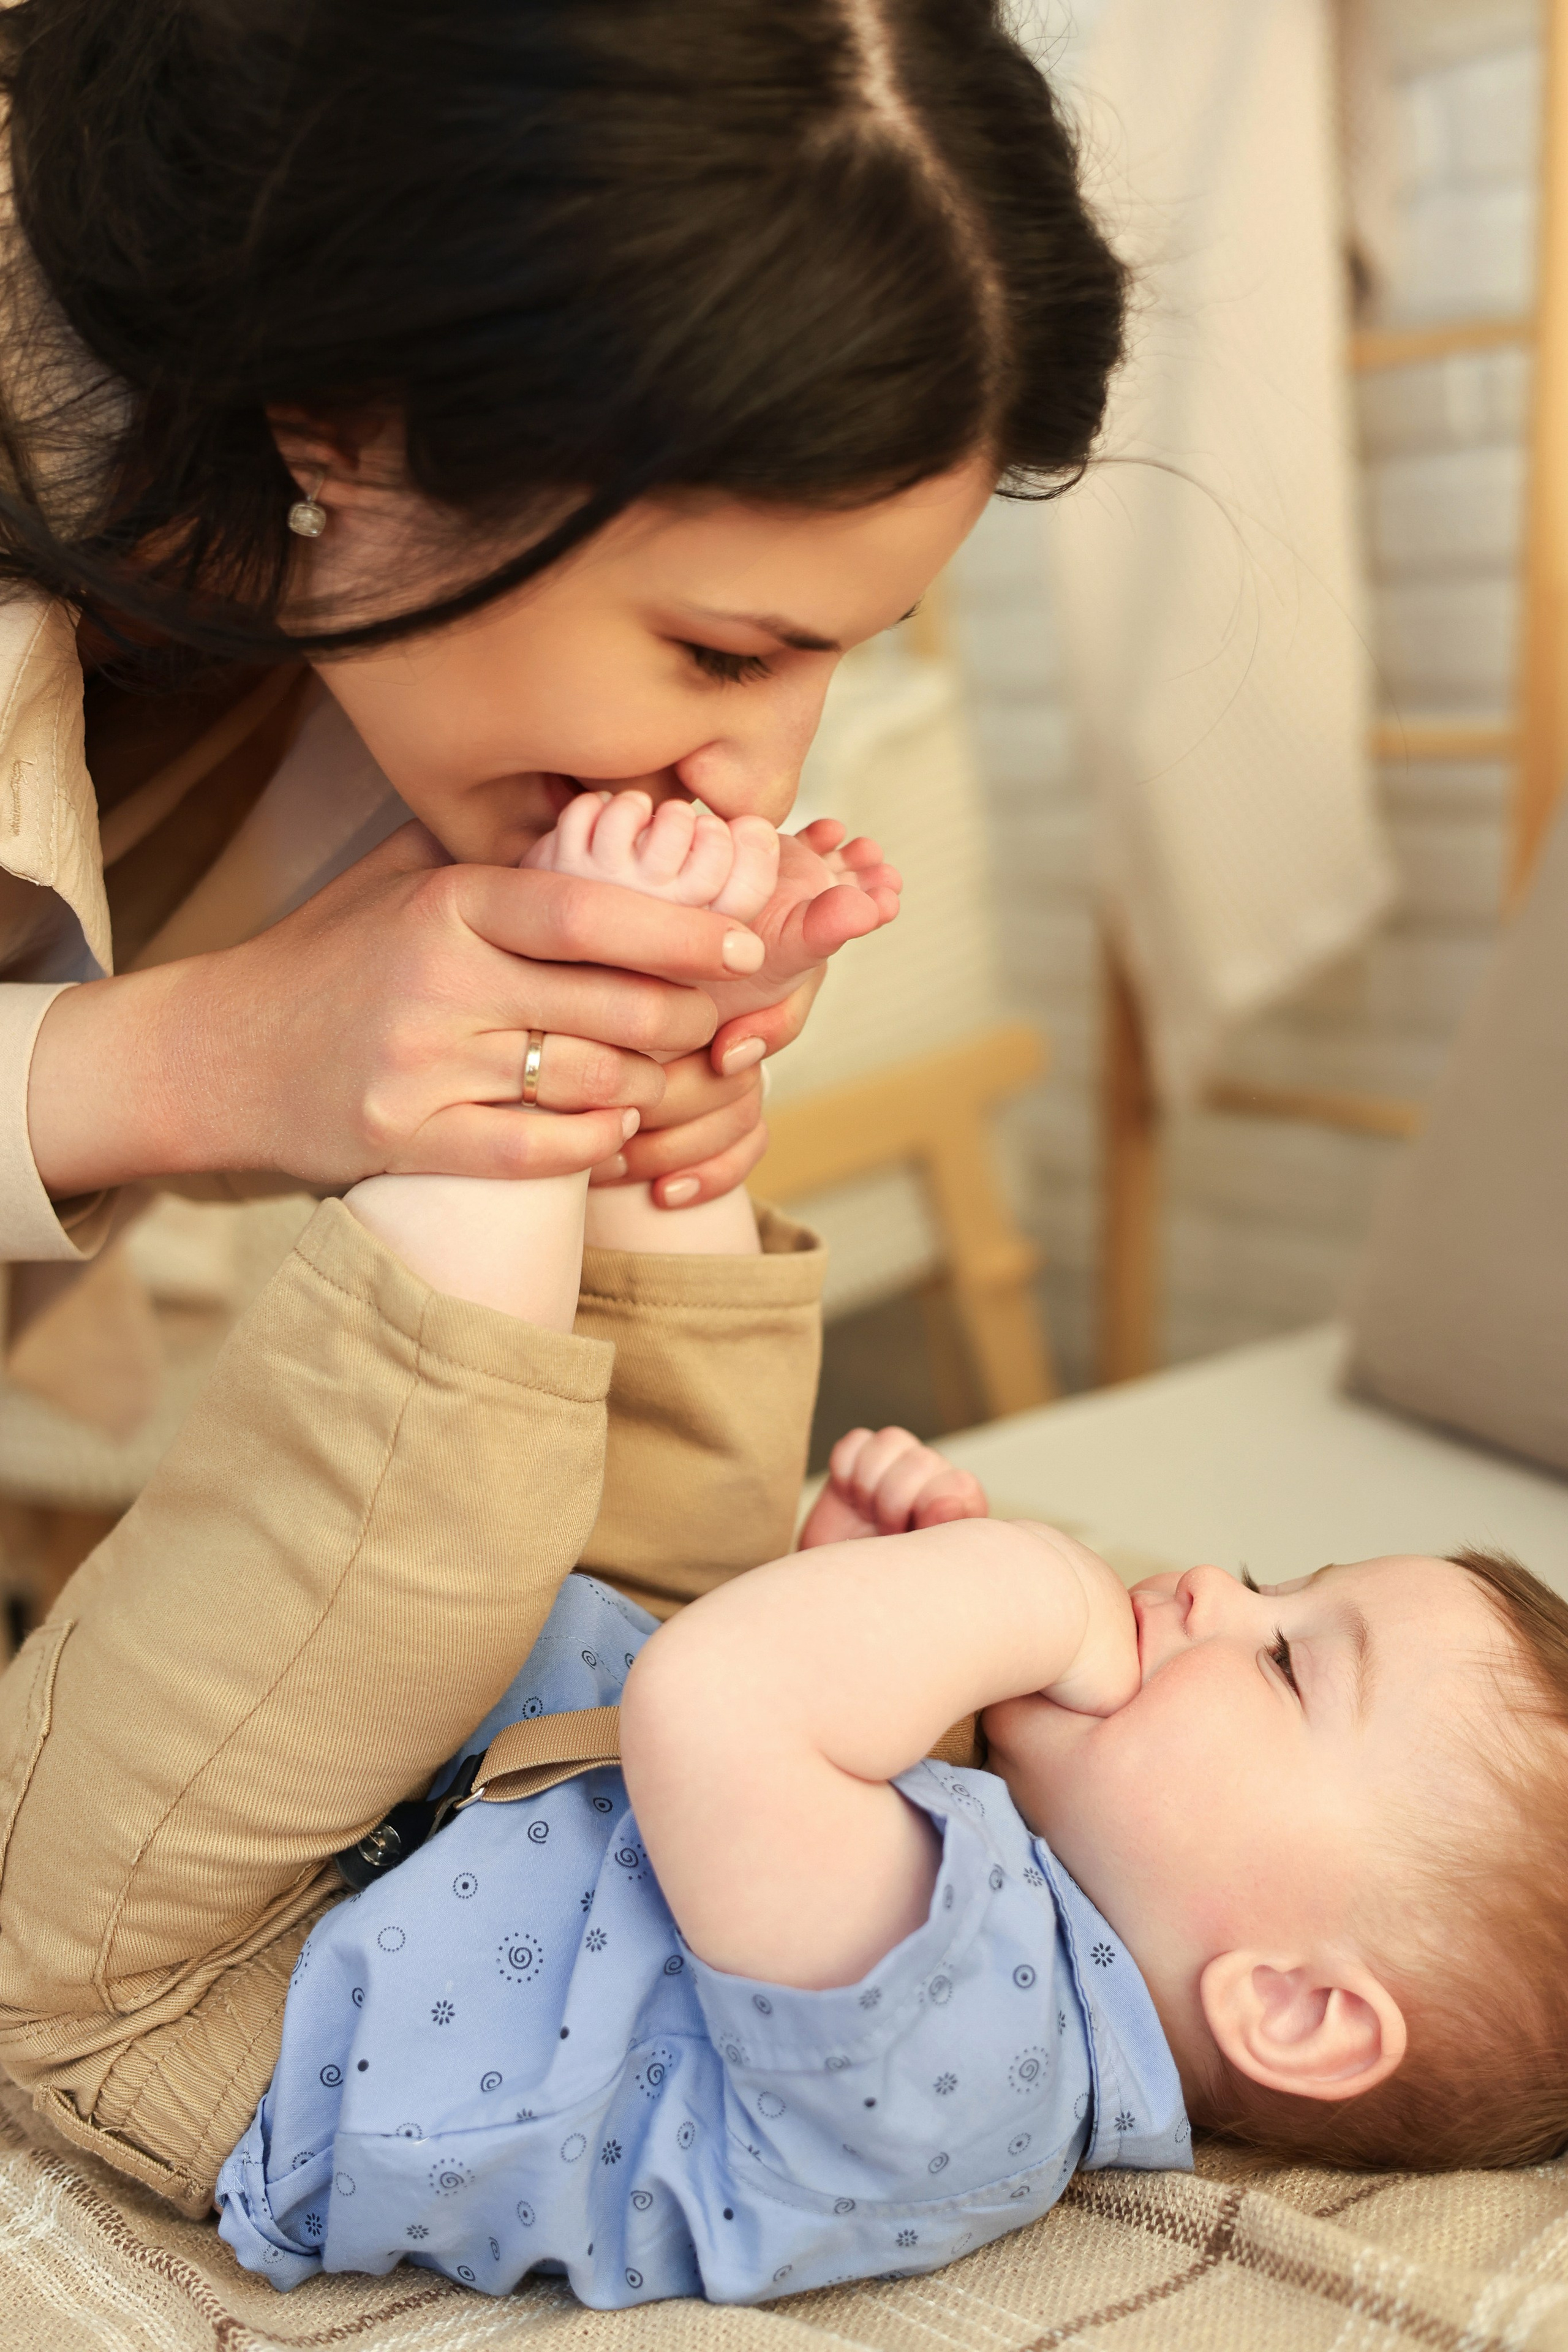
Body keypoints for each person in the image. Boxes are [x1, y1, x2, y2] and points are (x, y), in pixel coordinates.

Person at [4, 791, 1567, 2313]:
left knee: (439, 1525)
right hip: (469, 1808)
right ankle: (648, 1077)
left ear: (1287, 2009)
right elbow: (728, 1704)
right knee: (711, 1486)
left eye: (1289, 1664)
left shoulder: (981, 2073)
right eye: (1279, 1585)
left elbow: (716, 1711)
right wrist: (849, 1598)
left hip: (193, 1976)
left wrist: (1012, 1593)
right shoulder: (1020, 1892)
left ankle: (532, 1073)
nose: (1219, 1593)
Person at [0, 0, 1126, 1319]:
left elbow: (170, 1065)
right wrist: (207, 1055)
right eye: (717, 655)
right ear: (347, 431)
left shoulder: (376, 632)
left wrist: (497, 1043)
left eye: (838, 660)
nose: (754, 791)